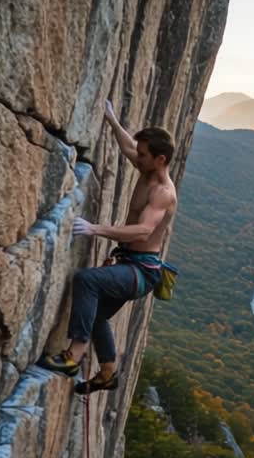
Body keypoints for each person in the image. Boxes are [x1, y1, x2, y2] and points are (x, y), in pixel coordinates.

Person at [37, 100, 178, 393]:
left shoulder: (162, 192)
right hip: (131, 262)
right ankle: (107, 374)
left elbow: (143, 229)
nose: (135, 158)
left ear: (160, 159)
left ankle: (73, 356)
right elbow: (129, 146)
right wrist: (112, 120)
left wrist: (94, 228)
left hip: (141, 271)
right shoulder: (147, 170)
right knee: (96, 314)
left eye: (143, 155)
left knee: (86, 281)